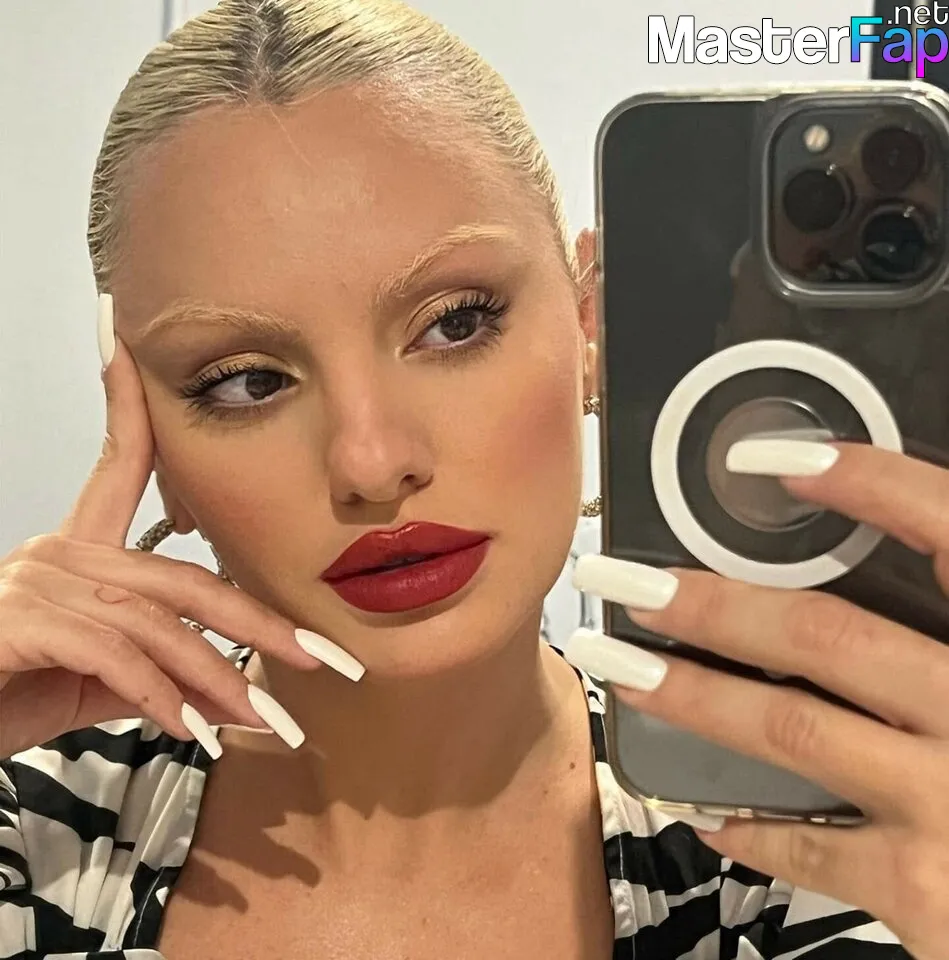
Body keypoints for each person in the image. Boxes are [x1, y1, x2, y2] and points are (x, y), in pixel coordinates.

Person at [1, 1, 947, 957]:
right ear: (149, 436)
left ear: (590, 325)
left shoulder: (821, 861)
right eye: (247, 382)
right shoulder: (31, 836)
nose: (373, 463)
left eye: (455, 323)